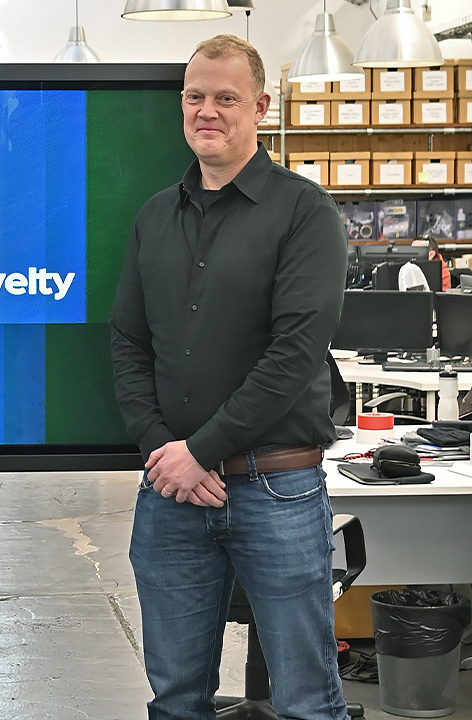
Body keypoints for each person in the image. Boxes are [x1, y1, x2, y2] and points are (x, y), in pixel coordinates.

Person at [110, 35, 349, 720]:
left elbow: (294, 354)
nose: (206, 111)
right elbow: (129, 343)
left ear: (261, 107)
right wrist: (164, 451)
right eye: (195, 97)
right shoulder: (155, 216)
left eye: (225, 98)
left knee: (307, 702)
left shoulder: (304, 212)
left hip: (276, 489)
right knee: (175, 701)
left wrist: (200, 450)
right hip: (171, 495)